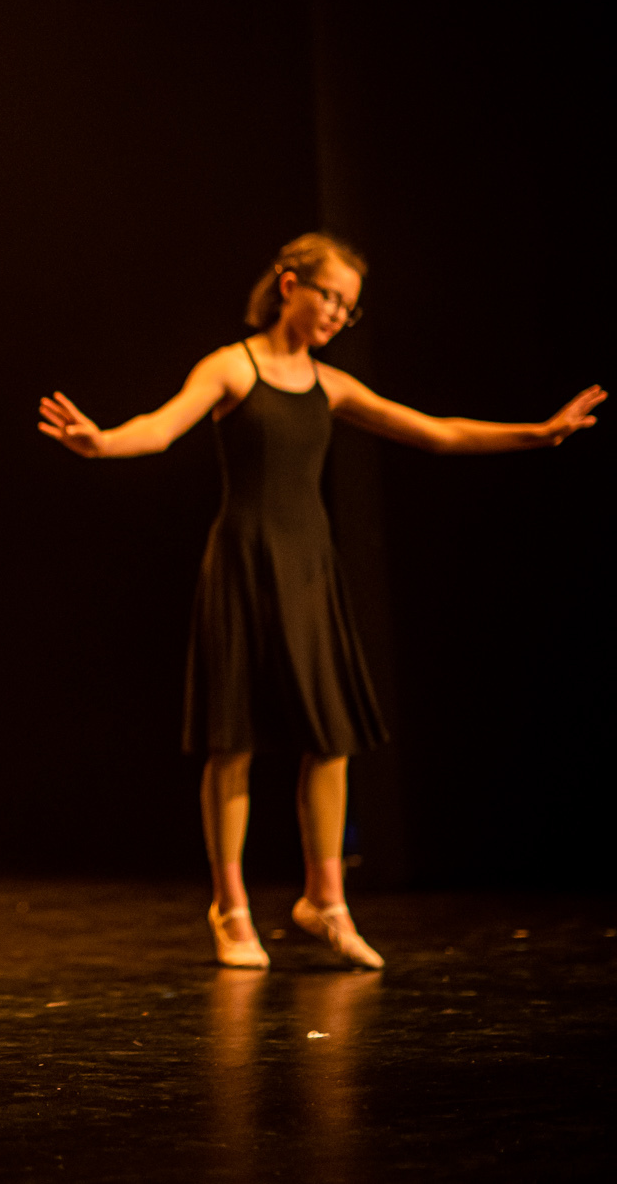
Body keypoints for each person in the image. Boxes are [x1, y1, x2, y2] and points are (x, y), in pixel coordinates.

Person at [37, 232, 602, 970]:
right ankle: (231, 908)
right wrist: (103, 442)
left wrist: (538, 434)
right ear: (289, 285)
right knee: (233, 738)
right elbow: (162, 427)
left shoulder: (331, 385)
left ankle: (325, 902)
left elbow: (434, 432)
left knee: (331, 735)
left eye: (348, 306)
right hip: (244, 563)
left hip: (309, 569)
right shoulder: (231, 367)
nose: (337, 313)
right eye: (329, 295)